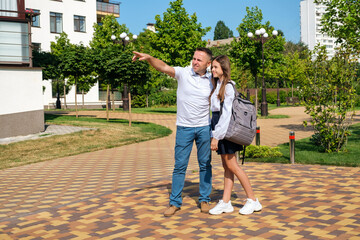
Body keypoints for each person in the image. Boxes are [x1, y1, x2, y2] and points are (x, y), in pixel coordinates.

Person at [132, 48, 213, 217]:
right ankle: (175, 202)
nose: (195, 62)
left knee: (205, 164)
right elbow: (163, 67)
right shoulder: (183, 73)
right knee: (180, 166)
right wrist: (149, 57)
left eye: (199, 60)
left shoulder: (213, 79)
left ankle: (204, 199)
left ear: (208, 64)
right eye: (194, 58)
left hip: (204, 127)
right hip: (184, 127)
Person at [208, 55, 262, 215]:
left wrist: (216, 136)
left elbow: (226, 115)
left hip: (225, 129)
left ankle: (253, 200)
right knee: (226, 166)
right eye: (212, 67)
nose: (213, 70)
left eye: (216, 67)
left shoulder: (228, 87)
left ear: (223, 69)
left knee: (232, 165)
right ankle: (226, 202)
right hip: (219, 127)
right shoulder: (217, 85)